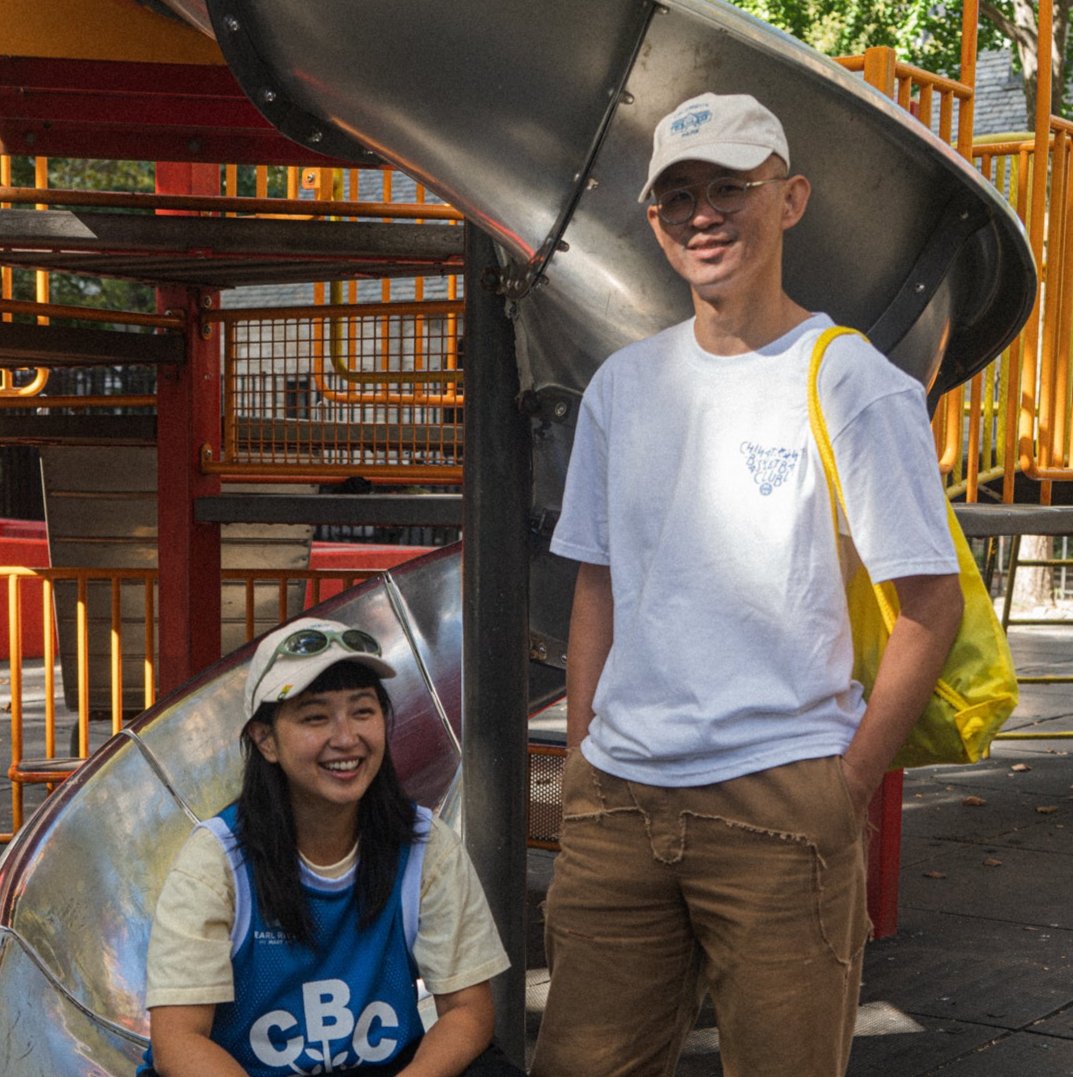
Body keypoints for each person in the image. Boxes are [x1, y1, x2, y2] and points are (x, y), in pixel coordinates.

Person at [530, 92, 964, 1077]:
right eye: (676, 194)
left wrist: (840, 788)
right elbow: (598, 585)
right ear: (650, 221)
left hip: (780, 801)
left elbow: (926, 610)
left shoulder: (850, 383)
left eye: (729, 186)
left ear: (790, 199)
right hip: (621, 798)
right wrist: (588, 766)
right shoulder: (623, 388)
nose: (701, 213)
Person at [140, 616, 525, 1077]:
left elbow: (469, 1011)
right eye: (315, 717)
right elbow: (177, 1041)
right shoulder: (218, 860)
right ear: (265, 740)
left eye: (363, 711)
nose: (346, 739)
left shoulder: (424, 845)